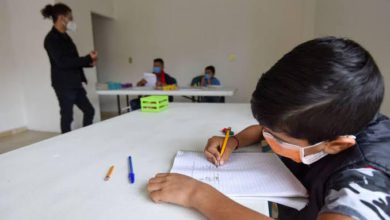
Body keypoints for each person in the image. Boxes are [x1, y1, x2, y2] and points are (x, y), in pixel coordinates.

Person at [147, 37, 390, 219]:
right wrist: (233, 141)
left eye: (276, 136)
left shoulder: (365, 179)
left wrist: (198, 195)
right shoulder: (331, 119)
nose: (265, 135)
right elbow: (262, 131)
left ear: (335, 145)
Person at [42, 3, 97, 133]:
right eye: (70, 17)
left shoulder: (66, 37)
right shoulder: (51, 39)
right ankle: (65, 144)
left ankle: (85, 136)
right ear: (62, 18)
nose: (72, 21)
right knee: (67, 117)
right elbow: (62, 62)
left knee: (89, 111)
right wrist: (87, 59)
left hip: (75, 82)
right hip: (64, 84)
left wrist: (89, 62)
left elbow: (72, 60)